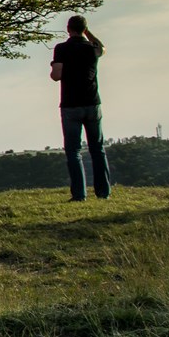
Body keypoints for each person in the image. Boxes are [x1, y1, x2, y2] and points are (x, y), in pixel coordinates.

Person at [50, 15, 110, 200]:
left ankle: (79, 194)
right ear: (84, 30)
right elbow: (103, 48)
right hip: (92, 102)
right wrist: (87, 33)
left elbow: (56, 76)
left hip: (71, 104)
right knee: (97, 149)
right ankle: (103, 192)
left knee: (74, 151)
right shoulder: (92, 49)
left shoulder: (61, 48)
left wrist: (54, 67)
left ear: (68, 29)